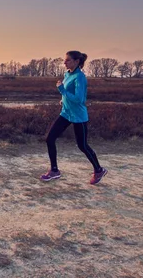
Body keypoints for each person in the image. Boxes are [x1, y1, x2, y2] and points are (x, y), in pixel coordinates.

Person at [40, 51, 108, 185]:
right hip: (66, 113)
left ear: (77, 62)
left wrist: (62, 91)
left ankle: (99, 170)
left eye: (68, 60)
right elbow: (68, 93)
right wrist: (63, 99)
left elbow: (79, 99)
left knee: (82, 146)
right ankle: (54, 170)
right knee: (50, 138)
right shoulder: (67, 74)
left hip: (78, 116)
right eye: (65, 60)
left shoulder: (80, 77)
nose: (65, 62)